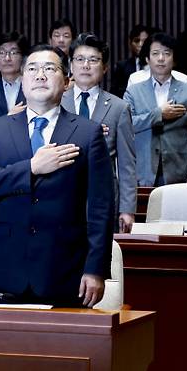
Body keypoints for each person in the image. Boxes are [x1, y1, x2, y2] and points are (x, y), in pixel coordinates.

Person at [0, 44, 114, 308]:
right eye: (33, 69)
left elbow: (100, 207)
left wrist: (96, 269)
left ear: (67, 81)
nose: (40, 75)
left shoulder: (88, 132)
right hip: (8, 269)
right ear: (23, 80)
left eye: (50, 68)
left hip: (66, 270)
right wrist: (32, 167)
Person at [62, 32, 136, 233]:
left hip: (102, 199)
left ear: (104, 68)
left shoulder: (118, 107)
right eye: (80, 59)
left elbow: (127, 163)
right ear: (71, 65)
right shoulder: (56, 103)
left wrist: (127, 209)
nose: (86, 65)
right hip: (60, 197)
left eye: (93, 60)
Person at [124, 32, 187, 187]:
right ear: (147, 59)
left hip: (177, 170)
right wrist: (158, 114)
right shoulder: (133, 92)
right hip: (142, 169)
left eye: (166, 53)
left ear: (174, 59)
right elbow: (126, 125)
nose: (161, 58)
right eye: (155, 53)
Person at [110, 24, 149, 97]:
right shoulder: (122, 67)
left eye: (145, 41)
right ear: (130, 43)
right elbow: (114, 94)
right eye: (137, 41)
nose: (141, 44)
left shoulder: (158, 65)